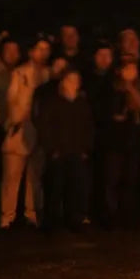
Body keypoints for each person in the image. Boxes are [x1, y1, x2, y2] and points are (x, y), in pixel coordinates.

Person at [0, 37, 52, 230]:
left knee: (35, 177)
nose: (43, 53)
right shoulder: (19, 73)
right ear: (31, 52)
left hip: (40, 132)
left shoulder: (49, 74)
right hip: (20, 130)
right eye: (39, 48)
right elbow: (11, 102)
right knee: (12, 177)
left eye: (46, 49)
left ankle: (32, 215)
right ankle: (7, 217)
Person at [38, 68, 95, 231]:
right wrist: (51, 149)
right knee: (56, 187)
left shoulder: (82, 103)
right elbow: (44, 127)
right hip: (58, 152)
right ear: (63, 82)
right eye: (70, 80)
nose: (73, 83)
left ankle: (75, 219)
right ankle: (53, 221)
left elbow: (89, 127)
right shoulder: (52, 102)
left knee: (77, 187)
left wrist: (86, 149)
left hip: (77, 152)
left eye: (76, 80)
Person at [100, 61, 140, 228]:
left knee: (130, 180)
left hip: (132, 141)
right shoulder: (111, 89)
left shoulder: (138, 88)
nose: (131, 72)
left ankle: (128, 215)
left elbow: (139, 107)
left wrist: (131, 89)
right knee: (112, 179)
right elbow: (107, 112)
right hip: (114, 141)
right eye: (127, 68)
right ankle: (111, 215)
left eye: (134, 68)